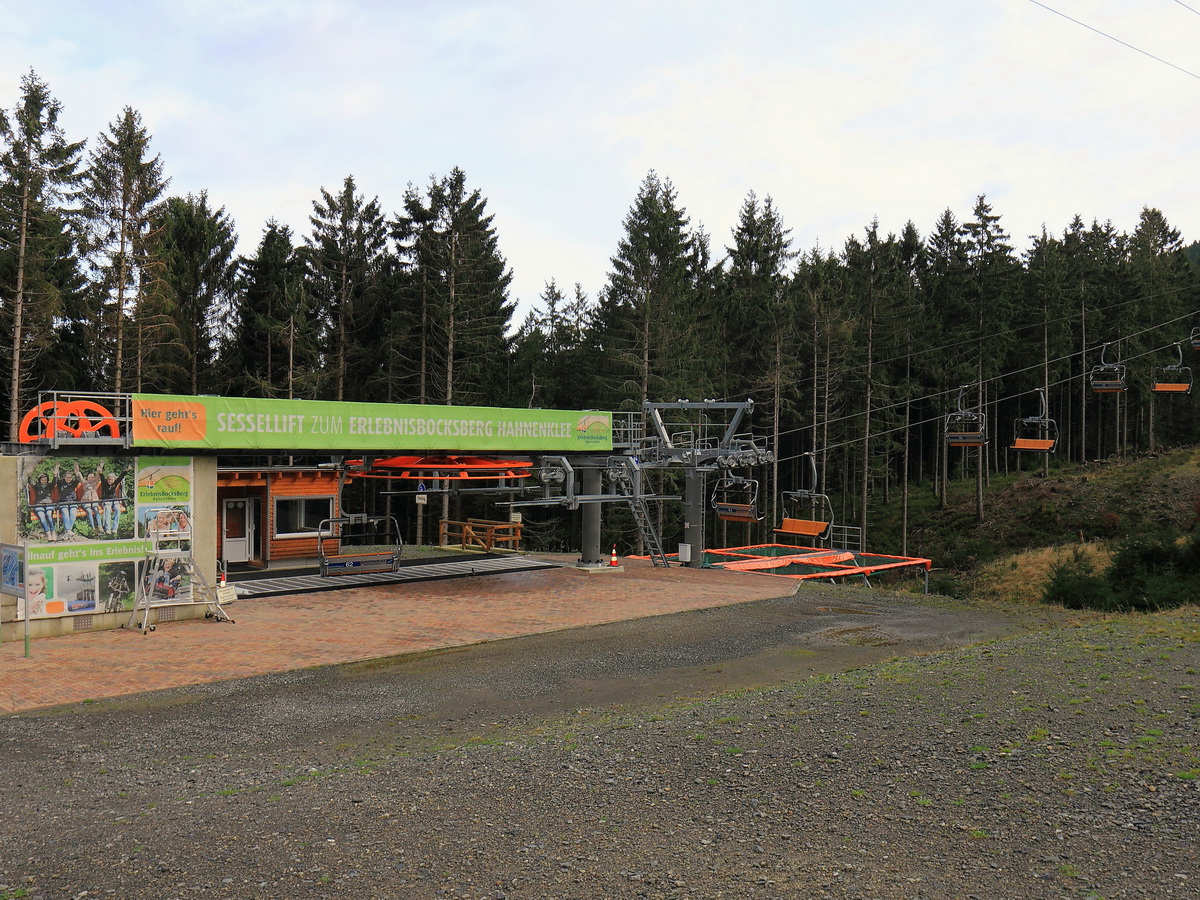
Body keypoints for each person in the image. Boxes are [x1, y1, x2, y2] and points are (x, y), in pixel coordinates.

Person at [54, 462, 81, 538]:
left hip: (72, 502)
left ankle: (68, 531)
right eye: (67, 477)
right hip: (63, 502)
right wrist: (56, 471)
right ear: (64, 477)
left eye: (70, 477)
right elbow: (55, 480)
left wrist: (76, 472)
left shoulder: (73, 483)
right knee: (65, 513)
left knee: (73, 513)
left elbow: (78, 479)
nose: (68, 479)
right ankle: (68, 530)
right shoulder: (60, 483)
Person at [27, 471, 57, 541]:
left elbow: (54, 482)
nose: (44, 481)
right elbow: (31, 482)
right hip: (39, 504)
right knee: (42, 517)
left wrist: (55, 475)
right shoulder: (37, 486)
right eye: (42, 480)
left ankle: (53, 531)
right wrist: (29, 476)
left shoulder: (49, 486)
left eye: (45, 480)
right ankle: (47, 533)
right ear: (40, 480)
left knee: (49, 516)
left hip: (48, 503)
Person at [98, 466, 127, 536]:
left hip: (114, 500)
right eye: (109, 480)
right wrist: (100, 469)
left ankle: (115, 528)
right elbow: (101, 476)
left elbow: (121, 477)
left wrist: (126, 470)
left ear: (114, 480)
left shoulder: (115, 483)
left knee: (118, 509)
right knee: (107, 509)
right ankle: (107, 528)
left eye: (111, 480)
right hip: (106, 500)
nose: (110, 481)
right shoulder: (104, 483)